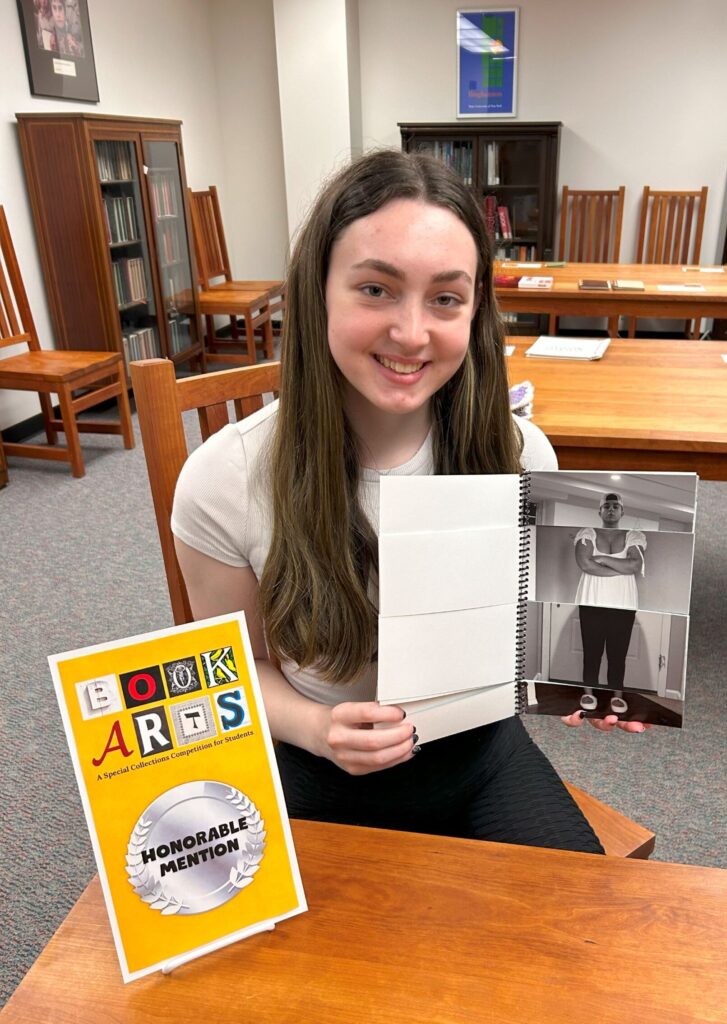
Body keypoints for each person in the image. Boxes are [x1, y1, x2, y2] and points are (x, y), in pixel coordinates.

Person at [172, 149, 645, 858]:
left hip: (478, 755)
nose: (413, 332)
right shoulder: (224, 479)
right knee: (287, 968)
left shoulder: (524, 457)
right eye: (376, 290)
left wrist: (590, 677)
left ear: (476, 309)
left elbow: (540, 631)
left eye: (446, 298)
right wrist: (312, 727)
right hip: (312, 764)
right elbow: (228, 671)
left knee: (579, 946)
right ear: (317, 293)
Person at [574, 493, 646, 715]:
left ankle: (617, 696)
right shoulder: (586, 533)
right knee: (591, 650)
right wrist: (619, 567)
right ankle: (588, 692)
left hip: (623, 603)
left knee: (618, 653)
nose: (611, 509)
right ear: (600, 511)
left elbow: (634, 565)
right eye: (607, 505)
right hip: (591, 600)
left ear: (622, 512)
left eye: (616, 506)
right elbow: (585, 564)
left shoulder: (635, 535)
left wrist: (603, 559)